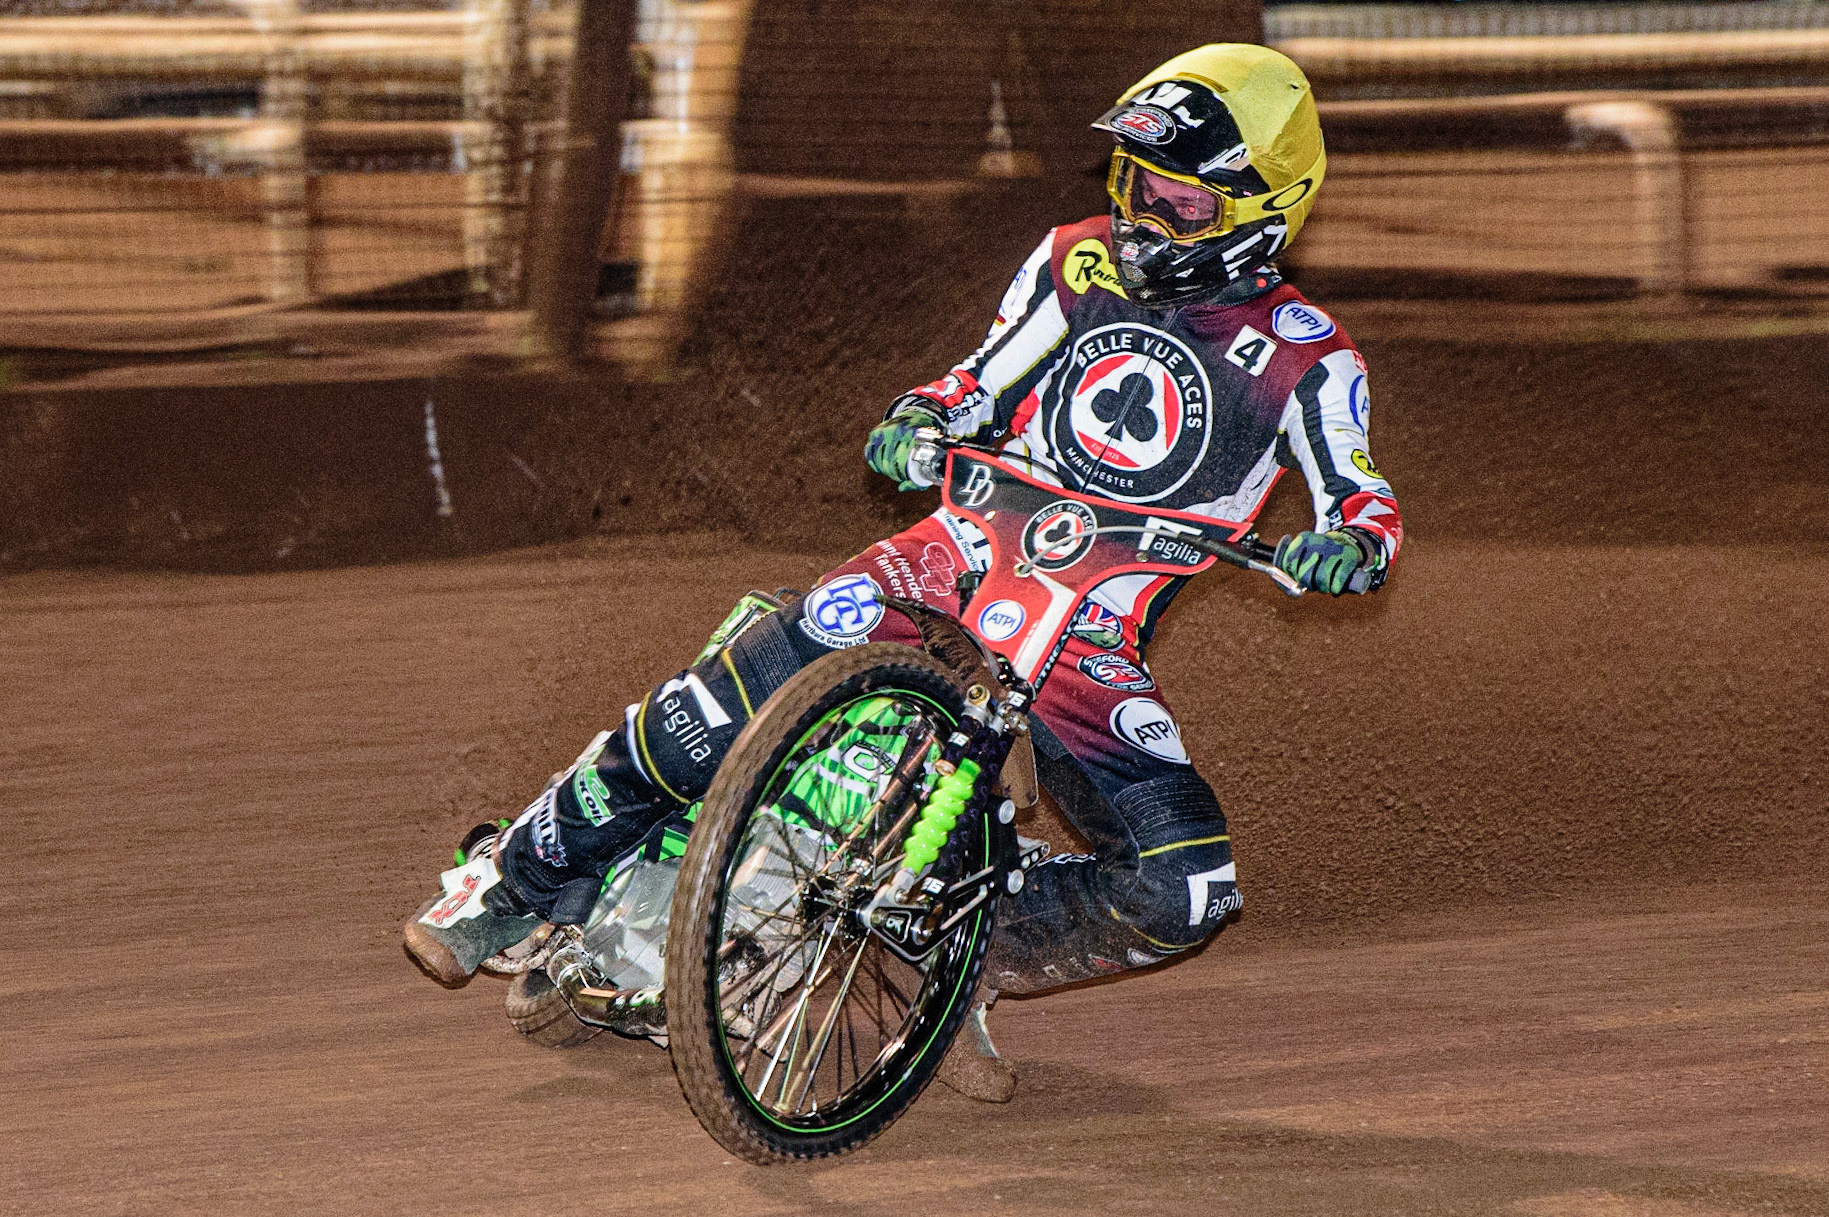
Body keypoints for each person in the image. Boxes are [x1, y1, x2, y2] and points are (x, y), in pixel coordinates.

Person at [404, 43, 1402, 1102]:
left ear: (1265, 207)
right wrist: (920, 416)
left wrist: (1344, 546)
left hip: (1084, 637)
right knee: (720, 698)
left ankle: (951, 954)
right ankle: (510, 879)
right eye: (1135, 185)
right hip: (956, 548)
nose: (1146, 214)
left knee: (1186, 886)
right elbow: (976, 382)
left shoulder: (1309, 355)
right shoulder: (1073, 262)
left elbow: (1363, 503)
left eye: (1182, 201)